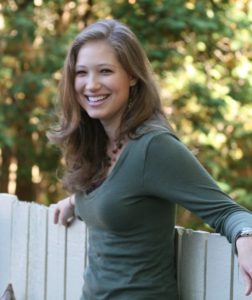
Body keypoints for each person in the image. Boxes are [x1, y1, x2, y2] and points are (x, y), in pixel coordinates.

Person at [49, 19, 252, 299]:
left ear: (132, 75)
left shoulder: (153, 147)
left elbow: (227, 212)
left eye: (105, 71)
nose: (91, 85)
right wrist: (76, 201)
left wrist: (246, 237)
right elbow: (122, 198)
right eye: (81, 72)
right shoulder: (96, 141)